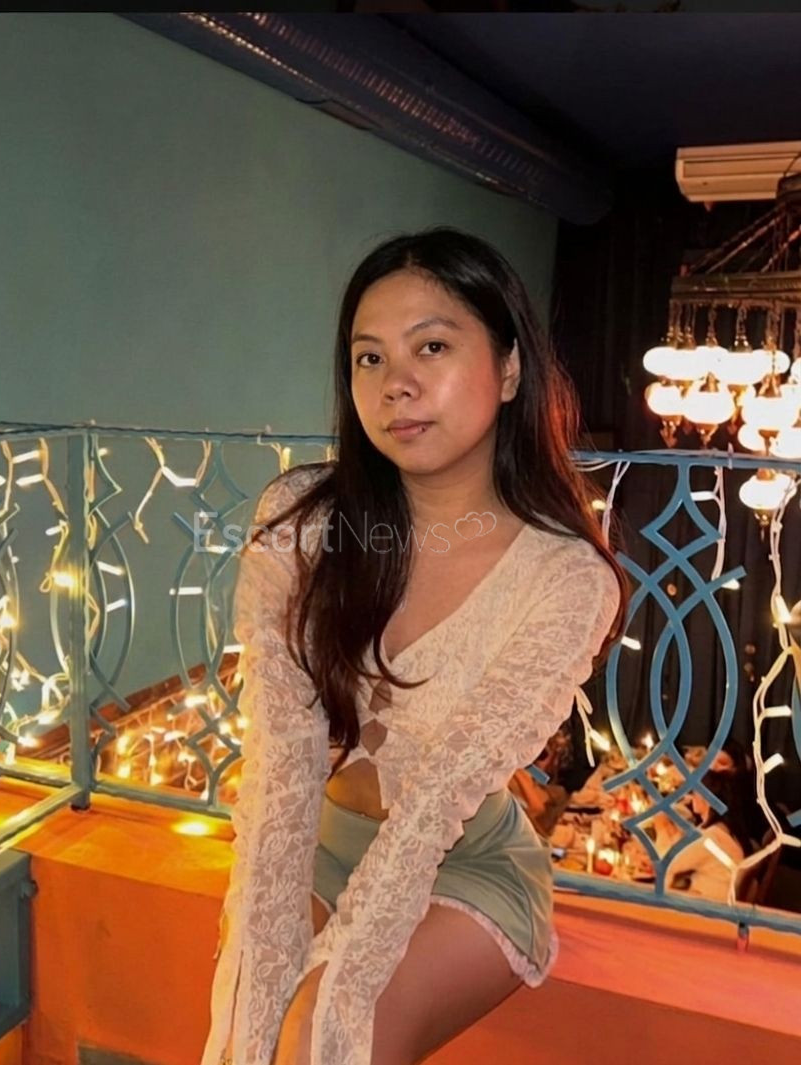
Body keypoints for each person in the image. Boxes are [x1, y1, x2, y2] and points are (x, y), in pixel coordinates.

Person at [201, 226, 629, 1065]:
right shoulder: (302, 525)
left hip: (458, 863)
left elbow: (433, 808)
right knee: (255, 1020)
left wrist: (328, 995)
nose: (396, 382)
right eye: (370, 358)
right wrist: (259, 993)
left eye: (431, 346)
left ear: (510, 368)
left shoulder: (564, 578)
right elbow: (282, 769)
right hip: (315, 839)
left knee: (329, 1028)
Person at [662, 767, 757, 902]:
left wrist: (661, 823)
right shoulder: (726, 829)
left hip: (709, 904)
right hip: (720, 897)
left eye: (695, 791)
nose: (692, 796)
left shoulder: (710, 839)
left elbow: (666, 863)